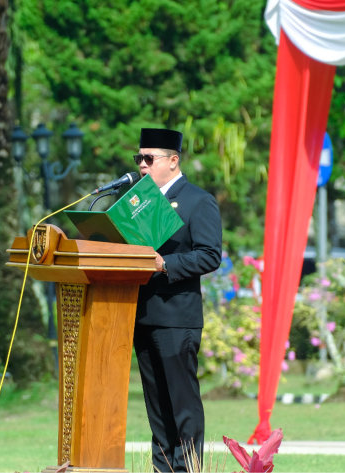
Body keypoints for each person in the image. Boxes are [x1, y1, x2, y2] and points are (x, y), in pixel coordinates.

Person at [133, 127, 222, 472]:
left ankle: (188, 468)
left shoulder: (197, 200)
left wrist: (165, 263)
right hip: (143, 316)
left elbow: (209, 255)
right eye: (139, 158)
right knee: (157, 408)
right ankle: (163, 469)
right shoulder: (137, 203)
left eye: (149, 158)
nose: (142, 165)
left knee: (181, 404)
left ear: (173, 161)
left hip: (177, 318)